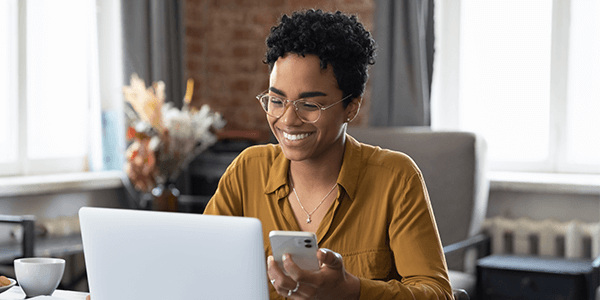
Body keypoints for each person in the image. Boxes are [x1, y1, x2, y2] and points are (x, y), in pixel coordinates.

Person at [203, 9, 453, 299]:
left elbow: (437, 293)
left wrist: (353, 291)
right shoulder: (247, 171)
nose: (287, 120)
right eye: (276, 100)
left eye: (309, 105)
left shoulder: (396, 178)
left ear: (352, 107)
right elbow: (203, 264)